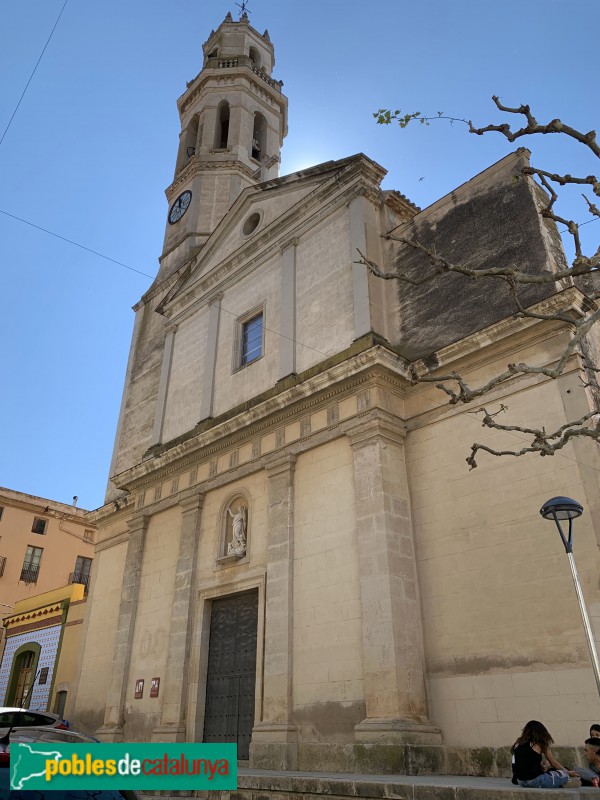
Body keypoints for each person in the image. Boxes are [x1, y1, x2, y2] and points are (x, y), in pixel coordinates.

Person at [511, 720, 577, 789]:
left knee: (550, 773)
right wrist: (568, 772)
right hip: (535, 781)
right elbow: (554, 763)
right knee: (563, 774)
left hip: (521, 781)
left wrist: (541, 767)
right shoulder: (540, 744)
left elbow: (524, 763)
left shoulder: (518, 745)